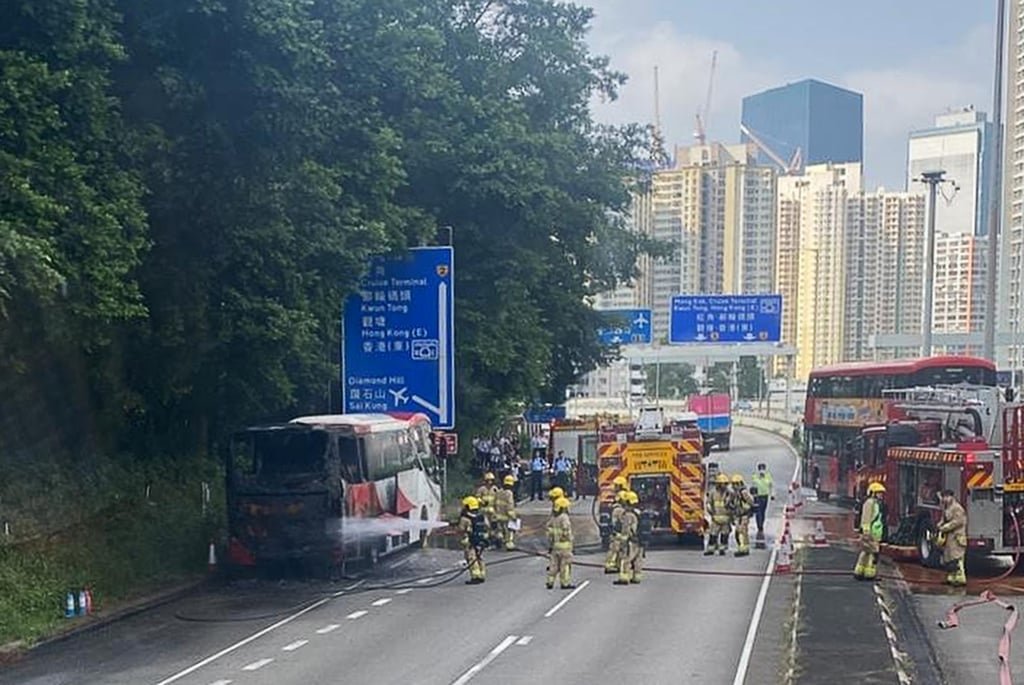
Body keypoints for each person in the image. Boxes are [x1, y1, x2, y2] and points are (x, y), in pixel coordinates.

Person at [853, 481, 886, 581]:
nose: (881, 495)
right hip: (870, 534)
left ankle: (859, 572)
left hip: (874, 534)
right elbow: (866, 518)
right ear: (873, 493)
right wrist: (867, 532)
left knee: (866, 552)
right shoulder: (870, 503)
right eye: (879, 493)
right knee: (873, 554)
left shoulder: (876, 503)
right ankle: (869, 574)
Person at [937, 489, 967, 587]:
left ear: (952, 497)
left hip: (956, 537)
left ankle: (960, 579)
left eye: (947, 497)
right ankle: (951, 578)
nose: (945, 499)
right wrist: (940, 524)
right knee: (948, 558)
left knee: (956, 558)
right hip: (949, 537)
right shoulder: (947, 508)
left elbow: (958, 522)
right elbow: (944, 518)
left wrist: (945, 527)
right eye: (944, 497)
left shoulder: (957, 508)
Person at [546, 496, 575, 589]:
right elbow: (566, 530)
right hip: (565, 546)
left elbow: (549, 531)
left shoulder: (553, 518)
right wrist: (569, 538)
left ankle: (550, 581)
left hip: (555, 546)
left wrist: (551, 542)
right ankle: (565, 583)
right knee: (565, 565)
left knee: (554, 565)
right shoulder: (564, 517)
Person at [459, 496, 488, 584]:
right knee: (479, 557)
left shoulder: (465, 518)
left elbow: (461, 529)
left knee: (471, 558)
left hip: (470, 541)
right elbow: (487, 526)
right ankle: (482, 575)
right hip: (480, 540)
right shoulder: (481, 516)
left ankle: (475, 577)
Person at [614, 491, 641, 585]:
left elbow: (625, 530)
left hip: (631, 541)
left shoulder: (628, 515)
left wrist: (622, 541)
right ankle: (637, 577)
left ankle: (624, 578)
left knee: (625, 559)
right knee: (637, 560)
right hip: (639, 540)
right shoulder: (638, 512)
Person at [705, 473, 732, 556]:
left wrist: (732, 517)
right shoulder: (713, 492)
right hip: (716, 518)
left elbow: (733, 505)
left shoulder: (729, 493)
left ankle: (722, 548)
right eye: (722, 484)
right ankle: (711, 548)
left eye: (725, 484)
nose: (723, 485)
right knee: (713, 534)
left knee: (724, 534)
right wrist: (711, 513)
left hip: (725, 518)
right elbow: (708, 504)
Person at [750, 462, 774, 548]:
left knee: (763, 512)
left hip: (765, 496)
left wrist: (772, 494)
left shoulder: (768, 476)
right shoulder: (755, 476)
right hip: (758, 497)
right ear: (758, 469)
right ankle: (759, 526)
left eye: (763, 468)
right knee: (758, 512)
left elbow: (771, 485)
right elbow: (753, 486)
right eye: (760, 469)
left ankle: (761, 524)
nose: (762, 470)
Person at [730, 474, 754, 557]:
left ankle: (743, 549)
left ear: (739, 483)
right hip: (738, 515)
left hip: (744, 515)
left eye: (734, 484)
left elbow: (751, 502)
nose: (733, 486)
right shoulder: (735, 493)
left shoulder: (743, 492)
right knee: (740, 532)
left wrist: (748, 509)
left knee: (741, 532)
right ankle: (743, 548)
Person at [604, 489, 628, 573]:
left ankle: (616, 565)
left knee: (619, 550)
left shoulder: (616, 508)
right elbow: (622, 522)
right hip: (616, 533)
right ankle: (609, 565)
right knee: (614, 549)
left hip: (616, 533)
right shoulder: (619, 510)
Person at [494, 475, 518, 551]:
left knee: (500, 530)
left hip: (498, 515)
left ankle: (499, 539)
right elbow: (510, 506)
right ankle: (509, 544)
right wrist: (513, 516)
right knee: (510, 531)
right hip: (506, 516)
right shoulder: (509, 493)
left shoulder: (499, 491)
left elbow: (495, 503)